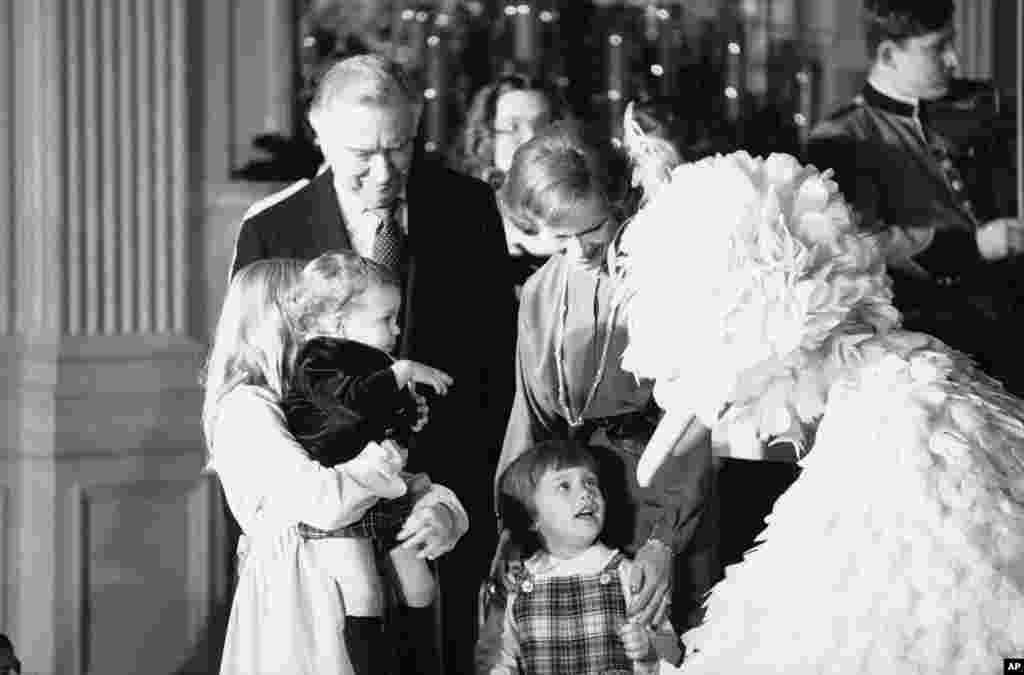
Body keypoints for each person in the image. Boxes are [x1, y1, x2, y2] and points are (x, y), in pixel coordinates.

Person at [229, 54, 515, 674]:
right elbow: (254, 392)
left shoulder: (468, 209)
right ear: (319, 131)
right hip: (320, 542)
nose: (384, 173)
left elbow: (493, 380)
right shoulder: (270, 233)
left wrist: (453, 504)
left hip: (437, 527)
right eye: (362, 154)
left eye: (401, 147)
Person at [485, 122, 718, 657]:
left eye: (593, 232)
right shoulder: (541, 290)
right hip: (572, 500)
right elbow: (530, 419)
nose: (579, 252)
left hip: (663, 487)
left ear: (617, 202)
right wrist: (514, 523)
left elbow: (692, 418)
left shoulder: (663, 278)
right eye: (558, 237)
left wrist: (664, 541)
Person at [205, 259, 467, 675]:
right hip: (301, 608)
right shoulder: (246, 411)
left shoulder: (326, 403)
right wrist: (389, 452)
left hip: (371, 597)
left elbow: (398, 481)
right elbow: (326, 502)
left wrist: (440, 510)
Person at [806, 0, 1024, 393]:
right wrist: (973, 245)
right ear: (889, 54)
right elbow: (868, 244)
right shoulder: (844, 136)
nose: (954, 60)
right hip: (935, 343)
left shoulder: (986, 105)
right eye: (936, 48)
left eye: (952, 43)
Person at [279, 250, 461, 674]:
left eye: (396, 318)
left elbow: (385, 413)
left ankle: (421, 663)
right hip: (341, 501)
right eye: (386, 320)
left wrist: (409, 415)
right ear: (338, 322)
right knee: (363, 592)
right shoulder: (316, 361)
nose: (397, 329)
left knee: (420, 586)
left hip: (384, 492)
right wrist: (402, 374)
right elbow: (351, 403)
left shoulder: (376, 361)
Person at [481, 440, 683, 674]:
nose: (586, 492)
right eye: (564, 486)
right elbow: (497, 661)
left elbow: (674, 654)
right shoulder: (515, 584)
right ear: (532, 516)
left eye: (590, 482)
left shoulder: (628, 575)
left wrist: (649, 650)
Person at [456, 73, 568, 293]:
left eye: (542, 124)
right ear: (488, 137)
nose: (530, 138)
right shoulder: (465, 216)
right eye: (513, 127)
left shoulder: (586, 206)